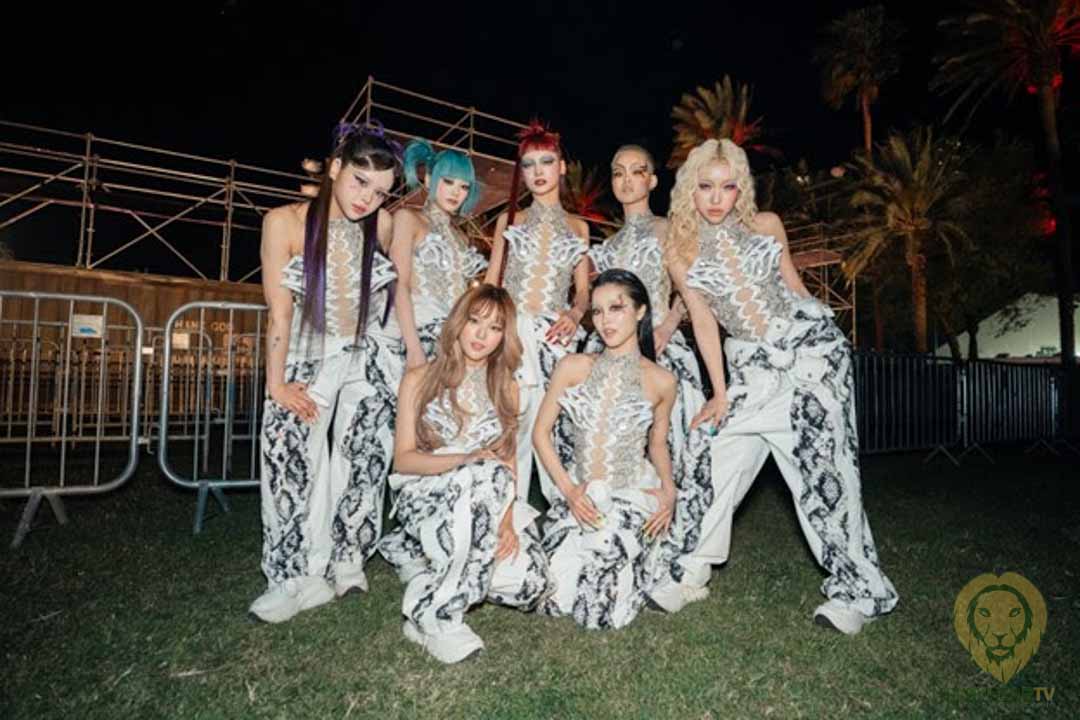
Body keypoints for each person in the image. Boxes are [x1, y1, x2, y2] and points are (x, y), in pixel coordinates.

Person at [651, 138, 898, 635]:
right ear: (689, 190)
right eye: (705, 186)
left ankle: (856, 592)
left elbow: (795, 288)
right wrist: (719, 393)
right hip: (751, 372)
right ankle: (691, 570)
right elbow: (703, 321)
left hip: (808, 360)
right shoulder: (679, 249)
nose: (716, 198)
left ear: (740, 188)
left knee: (824, 475)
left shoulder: (766, 225)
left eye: (727, 186)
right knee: (710, 456)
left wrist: (826, 345)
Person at [250, 123, 404, 623]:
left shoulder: (381, 225)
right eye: (360, 181)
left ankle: (346, 557)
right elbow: (279, 312)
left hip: (365, 357)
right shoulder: (284, 222)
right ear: (335, 168)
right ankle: (292, 576)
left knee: (363, 457)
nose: (367, 199)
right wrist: (276, 384)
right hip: (305, 355)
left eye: (380, 192)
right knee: (291, 459)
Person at [380, 284, 551, 663]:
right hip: (427, 491)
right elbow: (404, 460)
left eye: (494, 328)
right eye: (475, 321)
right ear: (459, 322)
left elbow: (509, 462)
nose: (481, 335)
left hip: (489, 499)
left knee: (532, 584)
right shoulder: (419, 378)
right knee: (480, 473)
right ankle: (440, 618)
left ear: (504, 336)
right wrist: (465, 460)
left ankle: (429, 584)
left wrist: (506, 522)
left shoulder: (507, 387)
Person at [587, 144, 710, 580]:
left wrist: (666, 328)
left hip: (662, 354)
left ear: (652, 180)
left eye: (636, 172)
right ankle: (628, 540)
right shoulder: (606, 247)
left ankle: (683, 549)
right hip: (613, 360)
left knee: (675, 448)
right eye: (618, 172)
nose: (626, 180)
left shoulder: (666, 229)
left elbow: (692, 290)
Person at [534, 269, 677, 630]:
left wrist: (669, 491)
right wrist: (570, 491)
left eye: (616, 308)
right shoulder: (573, 366)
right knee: (552, 601)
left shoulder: (662, 381)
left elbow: (658, 444)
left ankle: (633, 559)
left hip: (629, 494)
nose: (604, 321)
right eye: (597, 311)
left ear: (640, 311)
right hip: (579, 496)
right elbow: (540, 434)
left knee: (597, 616)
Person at [484, 121, 591, 502]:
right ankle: (506, 515)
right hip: (512, 333)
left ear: (561, 167)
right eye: (528, 165)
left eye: (546, 162)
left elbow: (583, 292)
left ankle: (568, 510)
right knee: (509, 425)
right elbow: (492, 282)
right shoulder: (509, 220)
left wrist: (574, 315)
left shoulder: (578, 227)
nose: (538, 172)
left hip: (554, 338)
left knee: (557, 429)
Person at [390, 140, 488, 369]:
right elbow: (398, 284)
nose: (456, 192)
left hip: (454, 339)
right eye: (448, 181)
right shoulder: (408, 219)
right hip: (416, 333)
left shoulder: (461, 238)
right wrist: (413, 347)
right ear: (428, 179)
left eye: (464, 187)